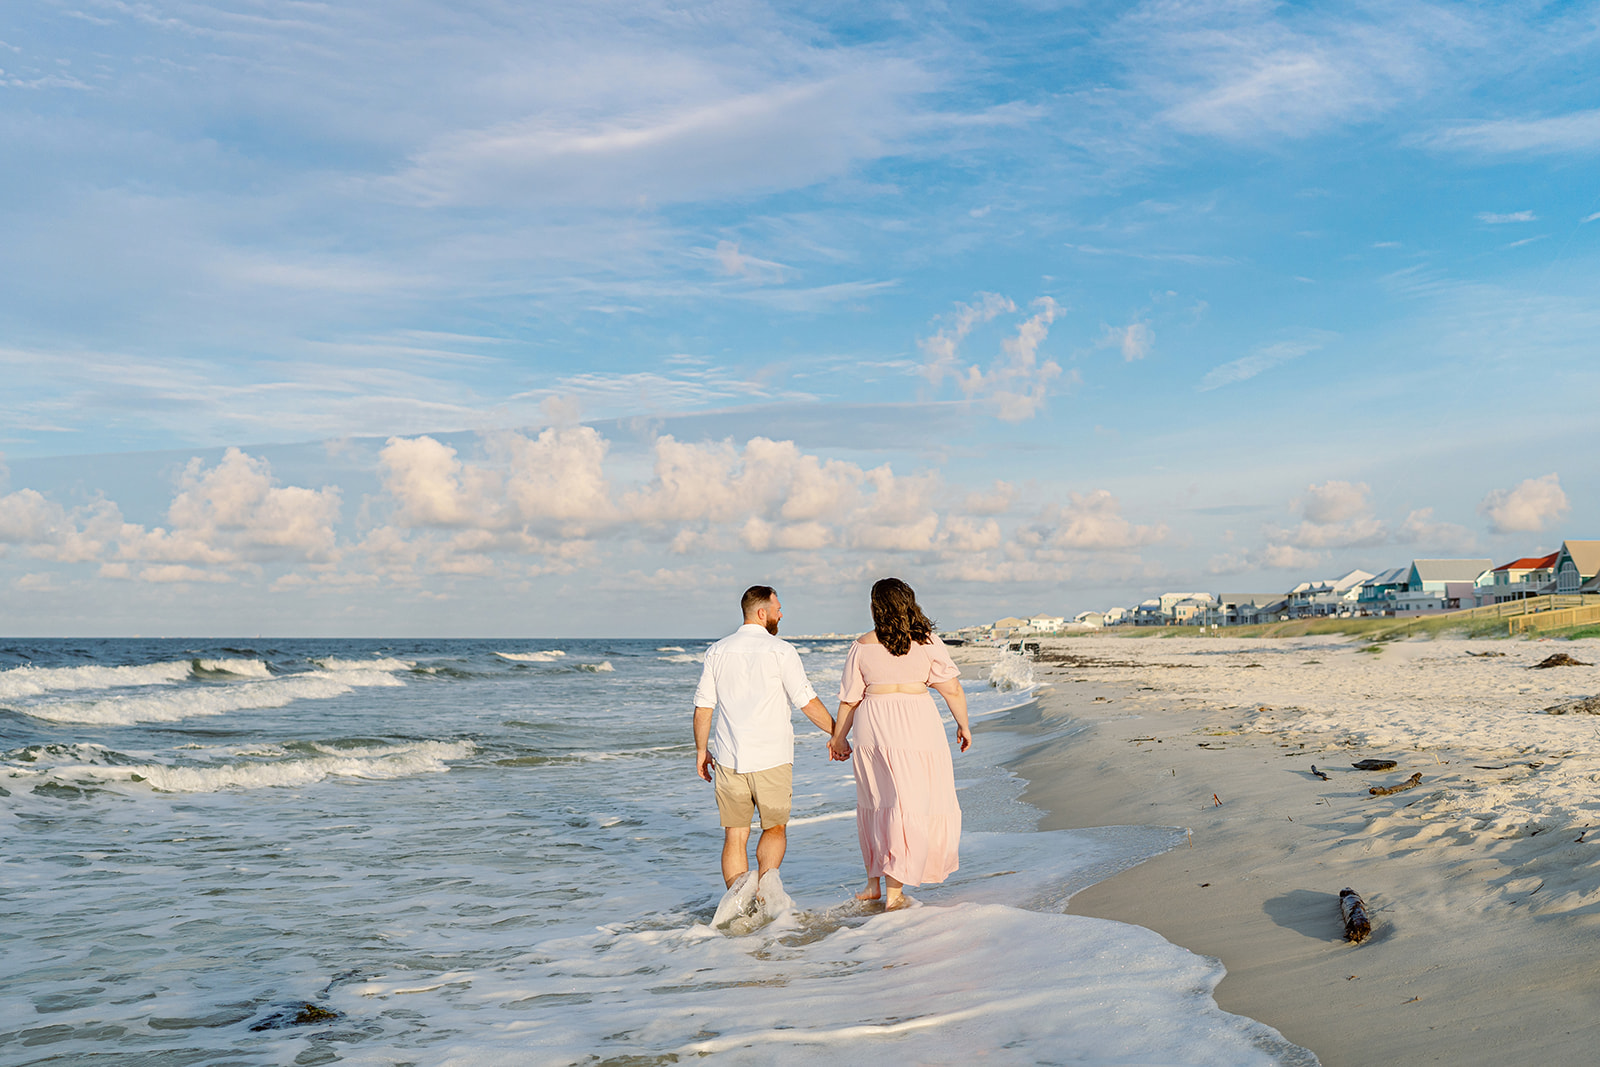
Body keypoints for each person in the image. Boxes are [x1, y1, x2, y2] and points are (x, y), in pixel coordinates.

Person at [693, 585, 838, 923]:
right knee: (774, 828)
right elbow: (806, 701)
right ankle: (767, 896)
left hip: (730, 759)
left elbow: (703, 707)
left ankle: (741, 909)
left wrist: (702, 750)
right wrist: (838, 733)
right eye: (778, 608)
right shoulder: (781, 651)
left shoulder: (717, 651)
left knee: (735, 835)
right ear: (762, 613)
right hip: (772, 758)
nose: (781, 614)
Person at [828, 577, 971, 910]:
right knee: (909, 805)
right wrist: (963, 726)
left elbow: (849, 700)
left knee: (878, 802)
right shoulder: (927, 642)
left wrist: (838, 738)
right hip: (918, 726)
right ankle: (893, 893)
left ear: (876, 607)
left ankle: (873, 883)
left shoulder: (861, 645)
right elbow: (952, 690)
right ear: (909, 602)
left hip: (873, 727)